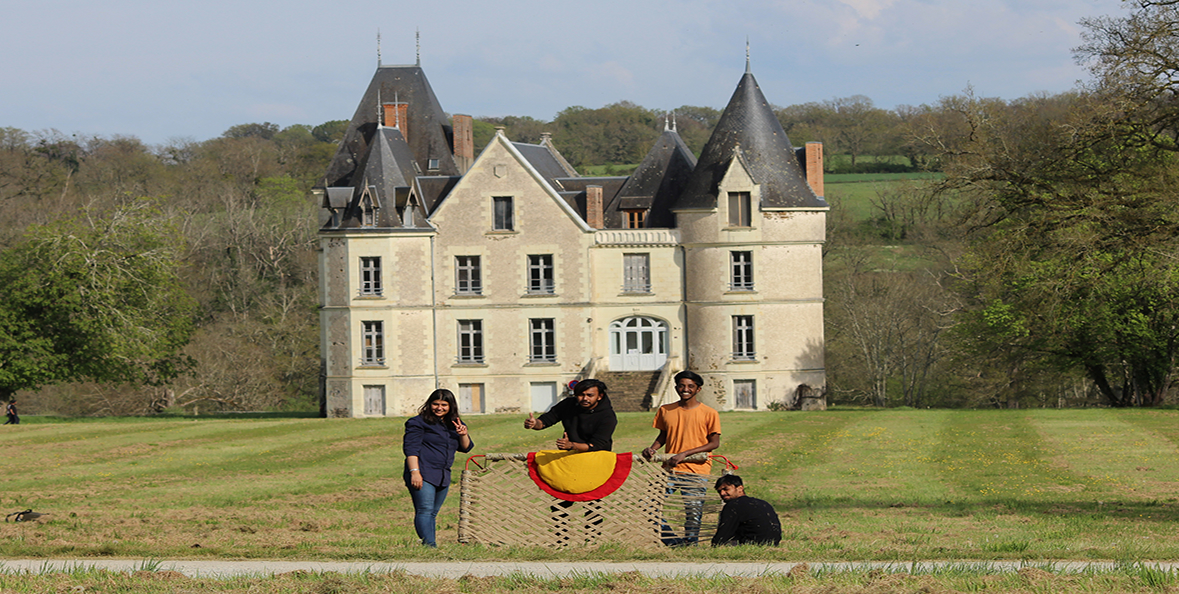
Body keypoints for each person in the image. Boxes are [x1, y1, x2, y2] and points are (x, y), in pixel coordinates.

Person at [641, 370, 721, 545]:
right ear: (676, 387)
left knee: (693, 512)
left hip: (696, 469)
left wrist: (685, 454)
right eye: (682, 385)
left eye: (691, 386)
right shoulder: (665, 410)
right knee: (648, 505)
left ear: (698, 389)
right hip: (670, 469)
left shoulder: (709, 413)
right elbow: (664, 435)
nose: (686, 389)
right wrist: (652, 449)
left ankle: (690, 545)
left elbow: (714, 443)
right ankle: (674, 542)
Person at [403, 389, 473, 547]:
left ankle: (428, 544)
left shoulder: (454, 423)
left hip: (442, 474)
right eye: (435, 404)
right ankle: (430, 546)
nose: (439, 408)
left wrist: (463, 434)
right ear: (429, 404)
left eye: (444, 405)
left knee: (432, 513)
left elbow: (466, 448)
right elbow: (411, 450)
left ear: (450, 406)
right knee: (425, 510)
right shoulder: (417, 423)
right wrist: (415, 473)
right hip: (423, 472)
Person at [523, 379, 616, 451]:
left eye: (590, 395)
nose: (585, 398)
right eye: (580, 395)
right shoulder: (568, 404)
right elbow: (545, 421)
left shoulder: (608, 416)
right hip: (570, 455)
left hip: (598, 457)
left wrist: (571, 445)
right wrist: (534, 424)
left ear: (600, 396)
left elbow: (596, 445)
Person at [711, 474, 781, 546]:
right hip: (773, 544)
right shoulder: (763, 503)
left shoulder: (734, 505)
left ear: (740, 488)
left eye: (726, 489)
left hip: (752, 544)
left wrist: (715, 545)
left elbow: (723, 535)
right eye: (719, 491)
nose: (722, 493)